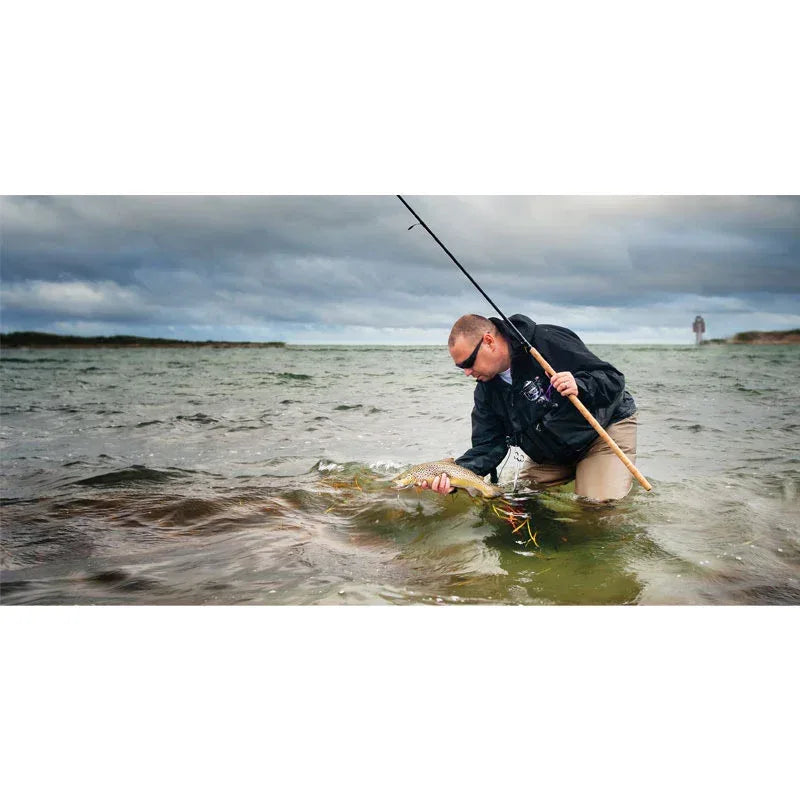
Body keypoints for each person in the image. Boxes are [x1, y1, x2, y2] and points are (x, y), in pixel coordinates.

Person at [419, 313, 639, 502]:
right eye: (461, 368)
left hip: (601, 435)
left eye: (468, 363)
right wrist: (453, 477)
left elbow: (613, 379)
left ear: (488, 341)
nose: (467, 373)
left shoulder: (546, 340)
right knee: (520, 505)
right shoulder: (485, 391)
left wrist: (580, 385)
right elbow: (488, 446)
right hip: (551, 454)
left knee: (595, 509)